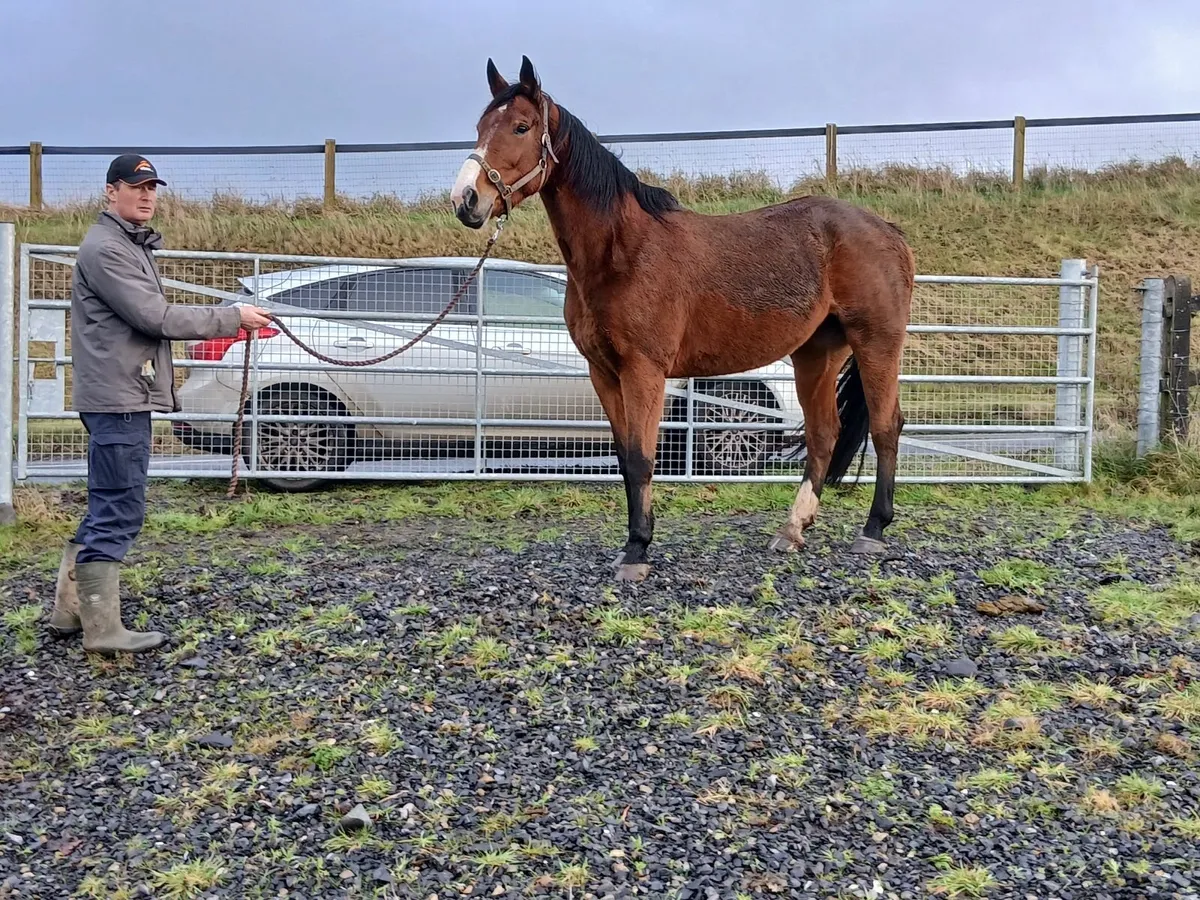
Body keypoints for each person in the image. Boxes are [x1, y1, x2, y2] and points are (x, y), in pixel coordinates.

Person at [46, 154, 273, 656]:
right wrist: (232, 316)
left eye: (152, 187)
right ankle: (102, 631)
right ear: (111, 191)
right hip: (118, 396)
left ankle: (69, 611)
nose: (147, 195)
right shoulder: (108, 250)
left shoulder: (124, 243)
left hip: (120, 392)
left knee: (109, 500)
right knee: (120, 507)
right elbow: (156, 317)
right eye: (136, 186)